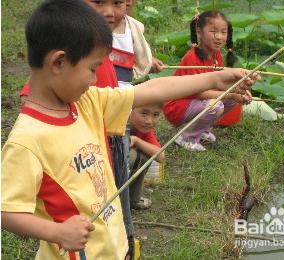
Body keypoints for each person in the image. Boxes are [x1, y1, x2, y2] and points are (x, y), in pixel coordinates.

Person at [1, 0, 259, 259]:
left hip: (111, 247)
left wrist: (217, 77)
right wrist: (56, 233)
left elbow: (149, 91)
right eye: (93, 69)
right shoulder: (28, 139)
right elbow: (7, 212)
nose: (94, 79)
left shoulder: (85, 102)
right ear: (58, 62)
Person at [163, 10, 251, 152]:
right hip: (177, 106)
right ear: (199, 32)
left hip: (193, 103)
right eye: (213, 31)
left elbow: (221, 83)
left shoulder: (216, 55)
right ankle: (186, 138)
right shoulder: (192, 58)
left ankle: (201, 129)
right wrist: (231, 93)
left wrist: (239, 90)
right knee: (215, 105)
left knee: (233, 99)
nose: (219, 37)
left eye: (223, 32)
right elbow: (198, 93)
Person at [128, 103, 165, 209]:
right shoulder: (119, 124)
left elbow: (160, 156)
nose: (149, 121)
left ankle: (132, 198)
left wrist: (137, 141)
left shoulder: (143, 130)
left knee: (146, 153)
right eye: (144, 113)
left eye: (156, 115)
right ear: (130, 109)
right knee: (132, 156)